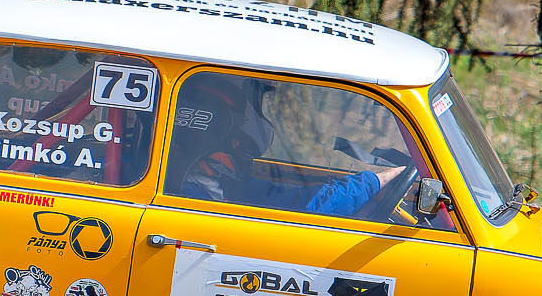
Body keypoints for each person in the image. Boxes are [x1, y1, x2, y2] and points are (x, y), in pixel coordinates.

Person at [170, 74, 410, 219]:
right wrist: (376, 181)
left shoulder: (225, 188)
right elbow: (310, 207)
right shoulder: (192, 200)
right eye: (236, 131)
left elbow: (293, 197)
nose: (241, 142)